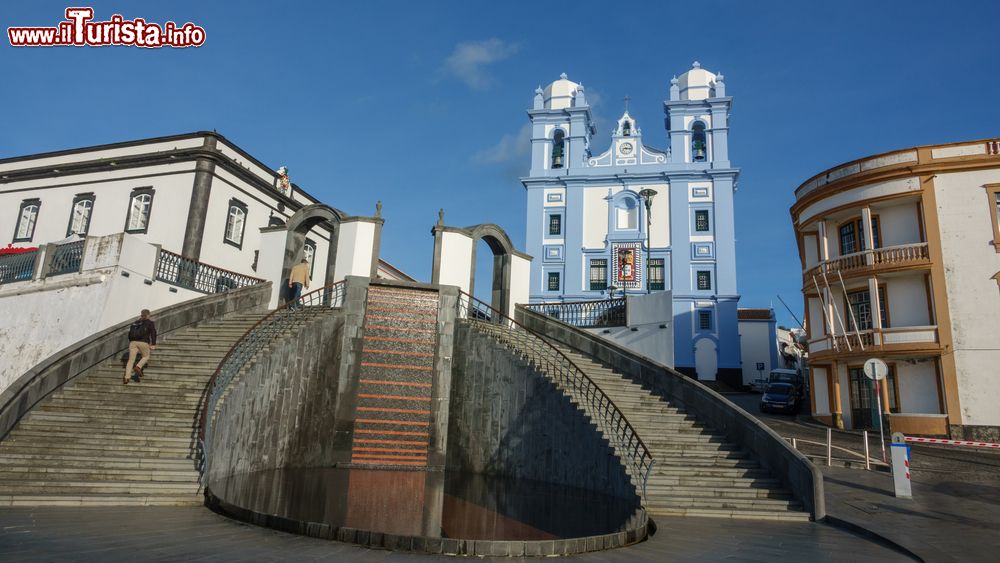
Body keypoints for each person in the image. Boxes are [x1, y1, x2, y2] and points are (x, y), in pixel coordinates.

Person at [124, 309, 157, 385]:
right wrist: (153, 344)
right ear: (148, 315)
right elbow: (153, 333)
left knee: (130, 360)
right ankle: (138, 367)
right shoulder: (150, 323)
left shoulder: (135, 323)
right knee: (146, 356)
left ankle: (126, 377)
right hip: (143, 342)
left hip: (132, 343)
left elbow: (129, 334)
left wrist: (132, 341)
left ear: (141, 315)